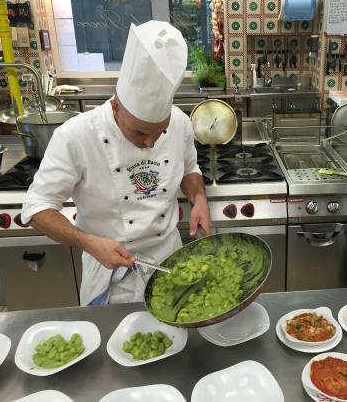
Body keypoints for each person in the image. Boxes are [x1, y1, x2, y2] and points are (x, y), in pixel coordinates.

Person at [21, 21, 210, 305]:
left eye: (159, 133)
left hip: (172, 267)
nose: (150, 144)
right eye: (140, 133)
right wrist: (88, 242)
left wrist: (198, 197)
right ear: (115, 106)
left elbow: (189, 168)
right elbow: (36, 208)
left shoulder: (181, 122)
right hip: (111, 275)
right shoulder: (76, 136)